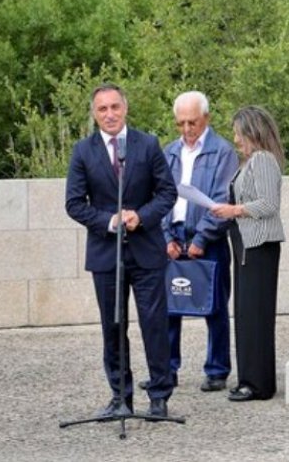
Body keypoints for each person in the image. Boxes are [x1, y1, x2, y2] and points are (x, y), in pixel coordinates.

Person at [65, 84, 178, 417]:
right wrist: (110, 221)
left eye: (115, 107)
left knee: (154, 323)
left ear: (125, 108)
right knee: (113, 327)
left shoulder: (147, 144)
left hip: (146, 251)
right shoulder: (83, 151)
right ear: (94, 113)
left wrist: (140, 217)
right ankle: (120, 397)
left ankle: (159, 395)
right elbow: (73, 203)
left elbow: (167, 192)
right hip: (106, 252)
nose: (110, 114)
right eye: (102, 109)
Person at [159, 91, 238, 392]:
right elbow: (161, 196)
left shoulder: (222, 151)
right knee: (168, 305)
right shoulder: (169, 152)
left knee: (215, 305)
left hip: (208, 237)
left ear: (206, 118)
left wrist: (203, 237)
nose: (187, 129)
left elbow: (222, 199)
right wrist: (166, 236)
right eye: (181, 123)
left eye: (192, 122)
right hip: (174, 235)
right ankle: (166, 368)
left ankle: (217, 369)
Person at [210, 106, 284, 402]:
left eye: (238, 132)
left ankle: (258, 383)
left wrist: (235, 210)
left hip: (259, 247)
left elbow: (268, 204)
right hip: (245, 246)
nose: (235, 138)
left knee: (255, 315)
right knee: (246, 313)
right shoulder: (250, 162)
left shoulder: (263, 160)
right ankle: (250, 378)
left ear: (252, 131)